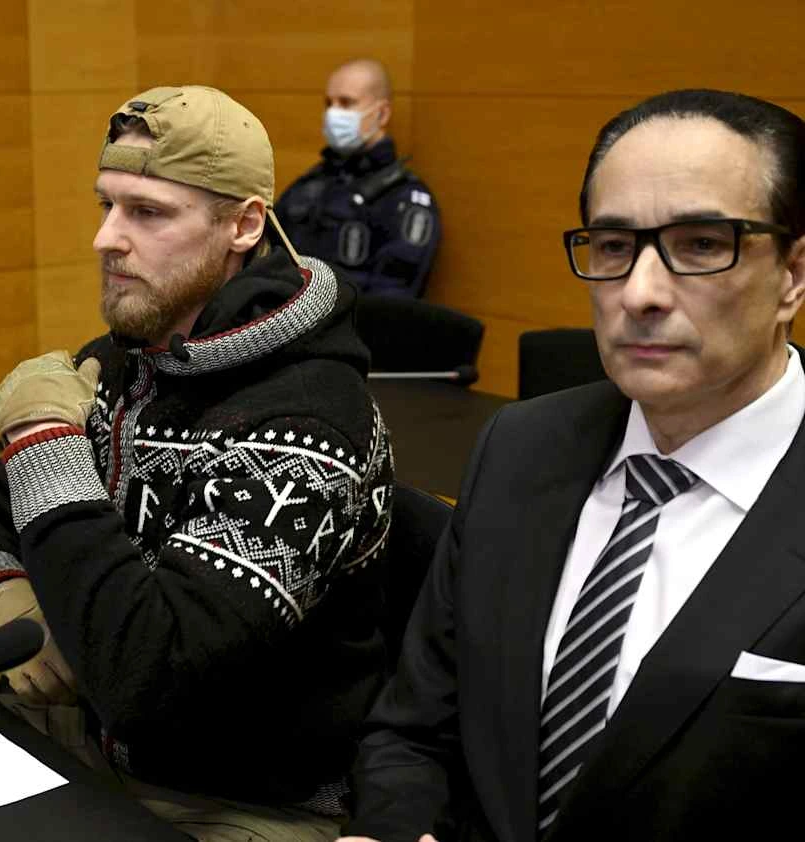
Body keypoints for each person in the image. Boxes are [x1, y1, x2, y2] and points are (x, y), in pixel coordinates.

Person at [340, 89, 805, 842]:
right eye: (615, 247)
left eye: (699, 245)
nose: (640, 294)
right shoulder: (519, 446)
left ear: (793, 274)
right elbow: (413, 727)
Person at [0, 85, 395, 840]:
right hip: (91, 748)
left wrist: (47, 441)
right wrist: (3, 596)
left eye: (148, 213)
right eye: (106, 205)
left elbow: (150, 679)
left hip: (237, 801)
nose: (107, 239)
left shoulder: (306, 420)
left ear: (244, 226)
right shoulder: (126, 361)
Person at [274, 59, 440, 298]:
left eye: (346, 103)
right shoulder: (311, 184)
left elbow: (390, 302)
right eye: (329, 103)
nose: (333, 113)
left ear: (382, 114)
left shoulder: (403, 199)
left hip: (350, 329)